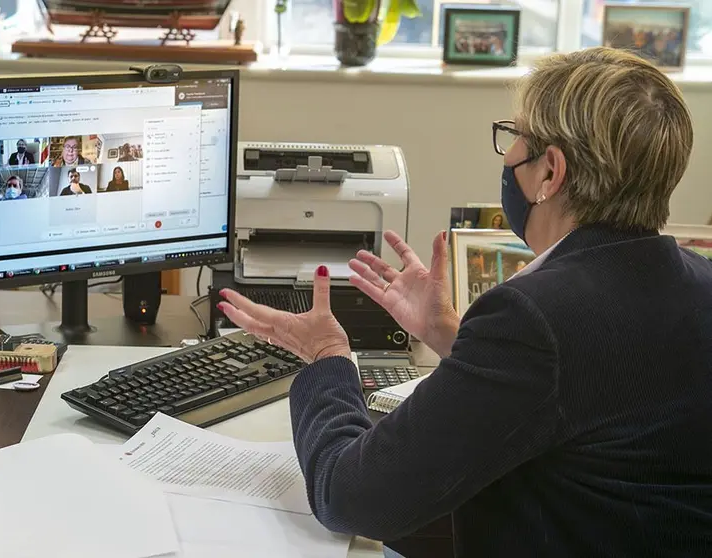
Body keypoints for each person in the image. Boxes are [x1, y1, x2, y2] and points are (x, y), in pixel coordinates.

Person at [216, 48, 712, 557]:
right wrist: (450, 335)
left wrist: (327, 358)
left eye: (516, 137)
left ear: (549, 173)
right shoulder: (699, 283)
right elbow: (596, 395)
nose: (508, 154)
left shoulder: (535, 317)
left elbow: (353, 498)